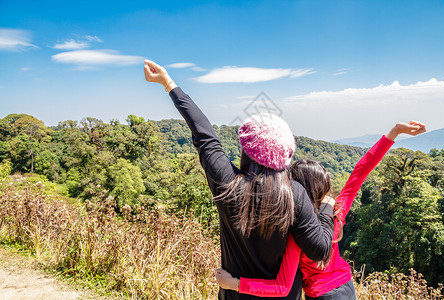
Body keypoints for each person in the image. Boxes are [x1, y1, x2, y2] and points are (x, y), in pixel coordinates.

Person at [144, 60, 336, 300]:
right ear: (286, 154)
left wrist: (168, 83)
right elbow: (319, 249)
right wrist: (327, 209)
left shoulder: (228, 184)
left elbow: (205, 136)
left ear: (246, 150)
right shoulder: (294, 194)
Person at [215, 121, 426, 299]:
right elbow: (360, 171)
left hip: (322, 295)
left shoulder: (296, 234)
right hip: (347, 287)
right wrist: (394, 132)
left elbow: (281, 286)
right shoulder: (335, 211)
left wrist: (234, 284)